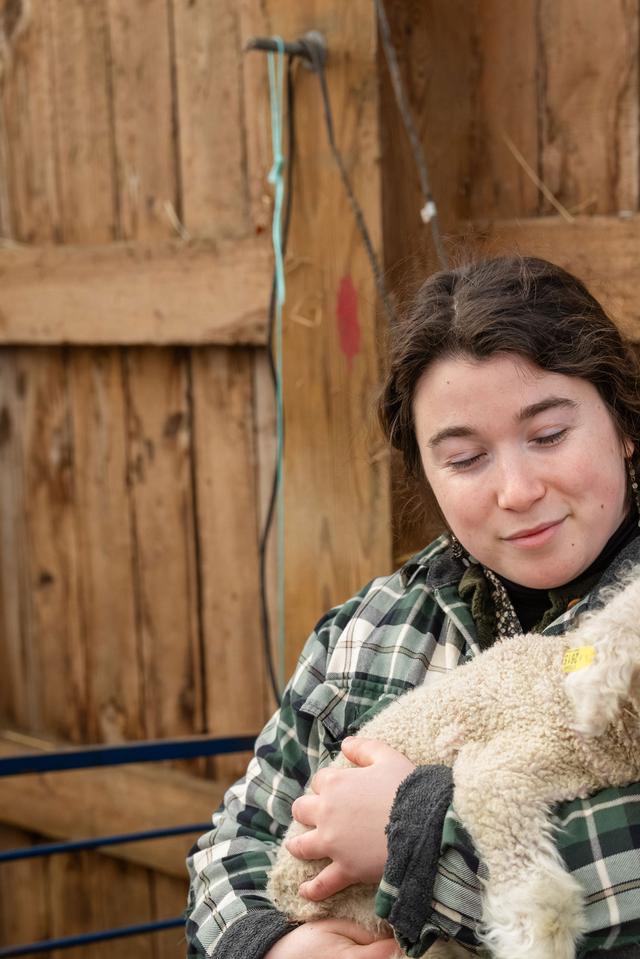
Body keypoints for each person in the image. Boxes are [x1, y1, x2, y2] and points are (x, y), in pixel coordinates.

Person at [186, 256, 640, 959]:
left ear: (623, 422)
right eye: (465, 458)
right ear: (427, 474)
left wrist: (416, 833)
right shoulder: (367, 630)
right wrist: (276, 947)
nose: (516, 489)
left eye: (548, 436)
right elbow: (234, 842)